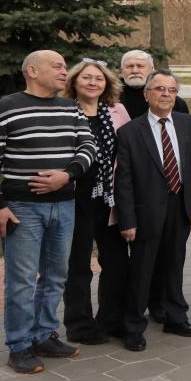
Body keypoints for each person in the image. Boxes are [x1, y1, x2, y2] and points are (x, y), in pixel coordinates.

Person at [0, 50, 97, 373]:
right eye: (56, 66)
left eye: (64, 66)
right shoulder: (4, 108)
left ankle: (44, 335)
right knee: (22, 281)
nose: (64, 71)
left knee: (56, 276)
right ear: (32, 70)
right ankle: (19, 345)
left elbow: (88, 147)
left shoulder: (70, 108)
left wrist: (67, 175)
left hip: (64, 205)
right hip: (22, 209)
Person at [114, 70, 191, 352]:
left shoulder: (187, 124)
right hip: (146, 211)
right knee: (142, 269)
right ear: (147, 95)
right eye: (159, 89)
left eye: (171, 89)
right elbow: (123, 179)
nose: (166, 94)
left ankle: (175, 317)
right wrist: (127, 220)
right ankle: (133, 326)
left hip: (180, 206)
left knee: (174, 264)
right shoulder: (130, 132)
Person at [61, 58, 132, 345]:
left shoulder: (117, 110)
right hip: (76, 197)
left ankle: (111, 320)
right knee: (78, 264)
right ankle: (79, 325)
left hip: (110, 197)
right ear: (74, 82)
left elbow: (127, 150)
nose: (93, 82)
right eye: (86, 77)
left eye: (98, 78)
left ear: (107, 83)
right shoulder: (63, 111)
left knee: (116, 261)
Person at [118, 50, 189, 118]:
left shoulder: (175, 103)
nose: (135, 71)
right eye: (130, 66)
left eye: (140, 66)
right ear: (121, 71)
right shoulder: (113, 99)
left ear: (152, 69)